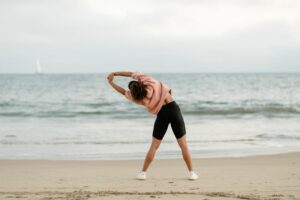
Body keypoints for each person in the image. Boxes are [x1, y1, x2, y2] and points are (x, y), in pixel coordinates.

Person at [107, 71, 198, 180]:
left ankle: (143, 173)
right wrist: (115, 73)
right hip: (173, 109)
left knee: (154, 146)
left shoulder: (137, 98)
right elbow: (132, 73)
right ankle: (192, 173)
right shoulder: (149, 81)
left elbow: (122, 92)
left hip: (162, 114)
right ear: (140, 82)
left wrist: (111, 83)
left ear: (132, 91)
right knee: (183, 145)